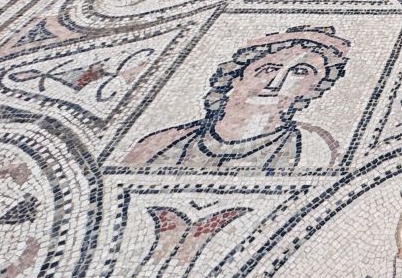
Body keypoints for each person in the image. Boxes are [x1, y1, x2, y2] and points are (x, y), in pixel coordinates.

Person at [126, 27, 351, 171]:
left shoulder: (313, 148)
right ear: (235, 77)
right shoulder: (160, 144)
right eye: (267, 69)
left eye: (300, 72)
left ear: (311, 89)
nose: (276, 82)